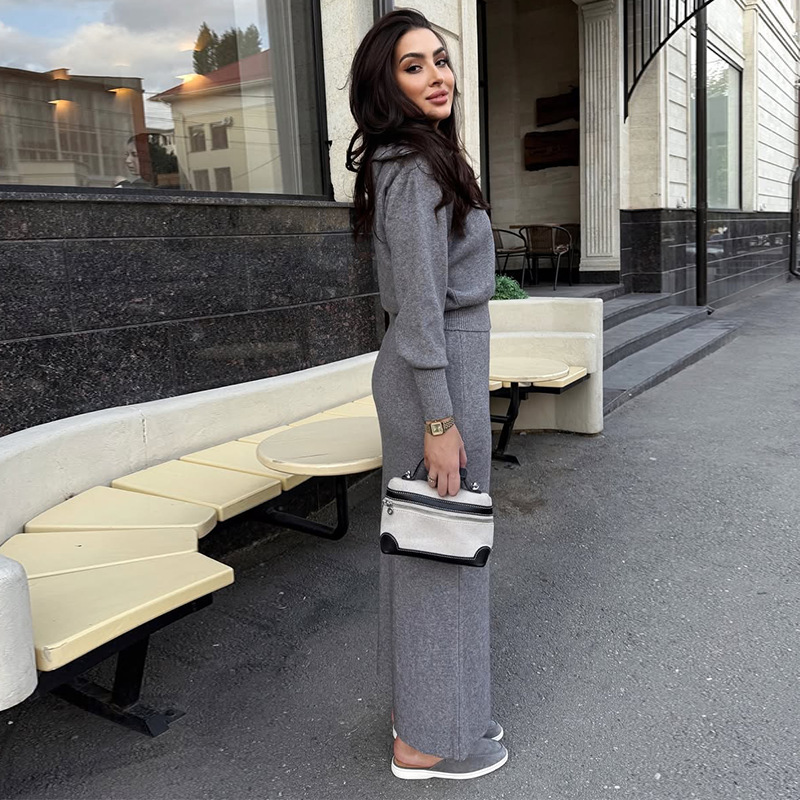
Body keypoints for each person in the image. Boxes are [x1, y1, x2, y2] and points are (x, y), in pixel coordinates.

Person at [347, 9, 508, 781]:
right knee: (439, 549)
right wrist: (440, 419)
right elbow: (419, 305)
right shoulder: (412, 168)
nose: (437, 75)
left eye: (439, 60)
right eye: (414, 66)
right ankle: (425, 740)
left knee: (433, 543)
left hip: (437, 365)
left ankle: (434, 707)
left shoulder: (420, 158)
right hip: (433, 374)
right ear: (387, 85)